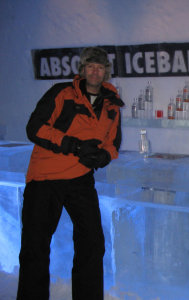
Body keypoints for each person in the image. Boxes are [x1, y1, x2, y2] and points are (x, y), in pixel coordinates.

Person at [16, 47, 124, 300]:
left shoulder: (112, 104)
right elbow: (35, 128)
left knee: (92, 244)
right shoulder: (62, 93)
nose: (95, 71)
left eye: (99, 67)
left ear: (106, 71)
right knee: (35, 246)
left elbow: (113, 142)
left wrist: (103, 156)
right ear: (83, 70)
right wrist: (74, 145)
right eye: (90, 66)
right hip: (45, 178)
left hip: (80, 180)